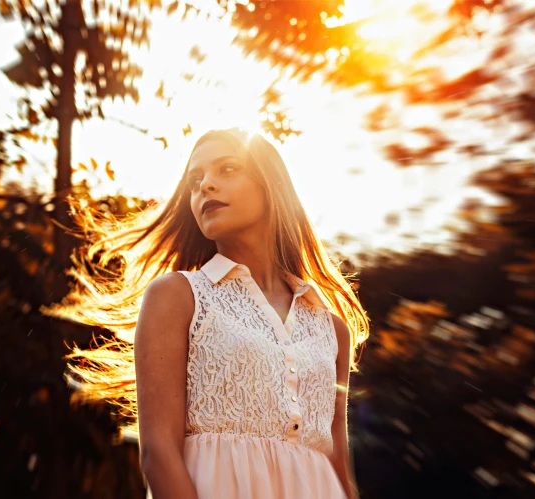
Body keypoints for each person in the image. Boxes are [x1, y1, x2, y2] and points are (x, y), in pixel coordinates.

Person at [48, 128, 369, 498]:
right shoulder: (178, 297)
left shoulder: (332, 329)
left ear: (271, 184)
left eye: (227, 170)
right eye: (195, 180)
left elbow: (337, 467)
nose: (206, 186)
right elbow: (159, 451)